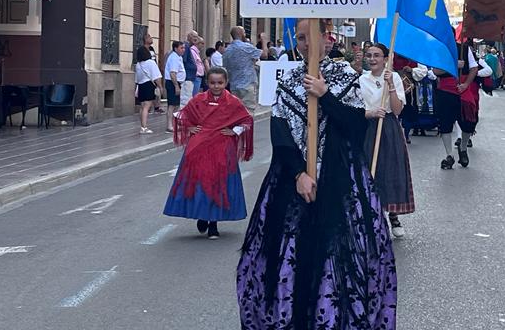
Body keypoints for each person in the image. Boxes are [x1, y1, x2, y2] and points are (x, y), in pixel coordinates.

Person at [236, 19, 396, 328]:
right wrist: (298, 174)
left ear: (326, 39)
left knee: (337, 259)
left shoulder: (346, 77)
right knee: (286, 259)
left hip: (339, 181)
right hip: (292, 183)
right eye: (300, 38)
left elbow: (354, 126)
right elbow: (279, 131)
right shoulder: (289, 78)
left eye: (311, 37)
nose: (306, 44)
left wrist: (325, 94)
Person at [164, 67, 253, 240]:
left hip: (222, 147)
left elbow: (247, 120)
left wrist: (234, 130)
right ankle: (202, 215)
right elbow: (181, 115)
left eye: (220, 83)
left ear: (226, 83)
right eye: (212, 82)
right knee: (200, 184)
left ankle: (213, 224)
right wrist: (190, 127)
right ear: (207, 82)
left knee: (219, 185)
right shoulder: (198, 99)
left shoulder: (233, 102)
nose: (216, 86)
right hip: (200, 148)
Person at [360, 44, 415, 238]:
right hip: (368, 126)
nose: (372, 59)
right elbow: (356, 109)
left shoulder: (395, 77)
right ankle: (371, 215)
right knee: (369, 170)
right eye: (369, 55)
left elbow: (398, 109)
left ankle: (394, 216)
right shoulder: (361, 80)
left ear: (385, 58)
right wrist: (371, 113)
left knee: (391, 169)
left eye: (377, 55)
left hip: (389, 126)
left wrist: (391, 85)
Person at [435, 35, 479, 169]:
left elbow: (474, 68)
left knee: (469, 122)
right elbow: (436, 71)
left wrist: (466, 84)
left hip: (462, 90)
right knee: (445, 123)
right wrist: (453, 64)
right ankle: (449, 155)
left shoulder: (464, 49)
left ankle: (463, 147)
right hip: (445, 91)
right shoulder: (440, 50)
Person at [223, 26, 268, 109]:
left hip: (234, 85)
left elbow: (225, 68)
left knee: (235, 112)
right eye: (244, 32)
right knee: (248, 112)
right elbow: (264, 55)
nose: (245, 34)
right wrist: (264, 41)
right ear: (240, 34)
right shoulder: (246, 47)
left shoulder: (227, 50)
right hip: (247, 85)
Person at [134, 46, 162, 134]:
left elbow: (137, 78)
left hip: (141, 85)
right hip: (149, 85)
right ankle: (144, 127)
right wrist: (160, 86)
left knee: (142, 107)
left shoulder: (138, 65)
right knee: (147, 107)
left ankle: (142, 125)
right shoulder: (151, 63)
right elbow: (156, 76)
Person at [163, 41, 187, 133]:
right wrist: (176, 86)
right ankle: (170, 125)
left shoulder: (178, 57)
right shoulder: (174, 58)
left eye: (184, 48)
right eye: (181, 48)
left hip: (177, 83)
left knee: (176, 105)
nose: (183, 50)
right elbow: (173, 73)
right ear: (176, 48)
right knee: (172, 105)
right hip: (173, 83)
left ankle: (174, 124)